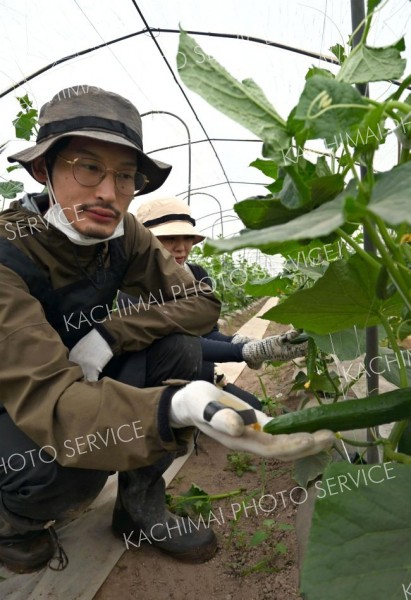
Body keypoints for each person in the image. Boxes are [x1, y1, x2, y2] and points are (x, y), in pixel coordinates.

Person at [0, 85, 334, 574]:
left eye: (126, 176)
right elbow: (51, 403)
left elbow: (201, 302)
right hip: (23, 397)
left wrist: (112, 335)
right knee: (64, 467)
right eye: (88, 167)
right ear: (41, 170)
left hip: (84, 380)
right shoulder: (9, 251)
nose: (109, 193)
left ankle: (139, 505)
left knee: (176, 348)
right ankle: (15, 523)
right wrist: (172, 407)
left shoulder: (123, 233)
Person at [122, 196, 308, 410]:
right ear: (145, 241)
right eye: (170, 238)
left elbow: (207, 333)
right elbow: (176, 345)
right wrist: (245, 351)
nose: (181, 247)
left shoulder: (197, 274)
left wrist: (242, 342)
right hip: (156, 389)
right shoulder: (133, 287)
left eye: (187, 238)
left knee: (254, 411)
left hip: (201, 379)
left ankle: (205, 402)